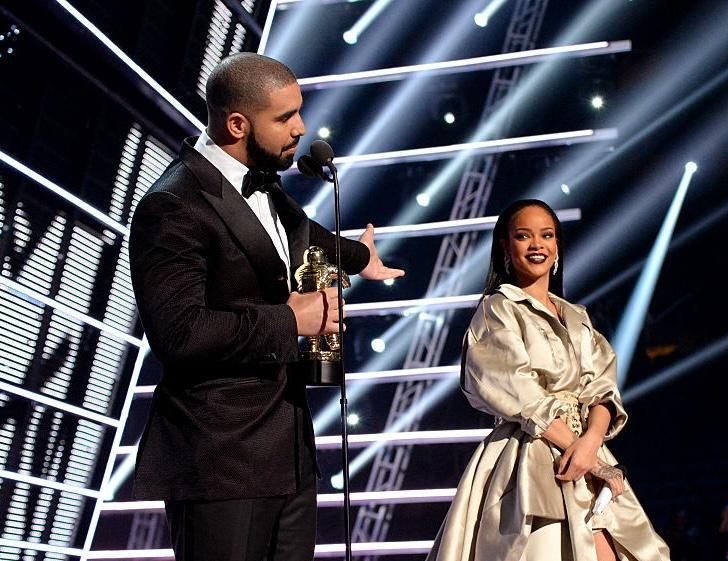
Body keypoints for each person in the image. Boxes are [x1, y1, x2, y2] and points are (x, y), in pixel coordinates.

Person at [128, 53, 403, 561]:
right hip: (220, 459)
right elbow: (178, 334)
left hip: (288, 452)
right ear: (237, 124)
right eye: (284, 118)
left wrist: (362, 257)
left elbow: (303, 236)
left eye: (298, 112)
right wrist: (290, 320)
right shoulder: (172, 206)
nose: (301, 129)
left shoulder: (267, 188)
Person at [425, 200, 670, 560]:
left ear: (557, 246)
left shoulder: (577, 315)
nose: (536, 244)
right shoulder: (499, 308)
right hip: (531, 450)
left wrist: (590, 445)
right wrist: (585, 452)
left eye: (547, 235)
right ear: (506, 247)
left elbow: (602, 387)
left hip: (587, 449)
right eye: (523, 236)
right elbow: (515, 389)